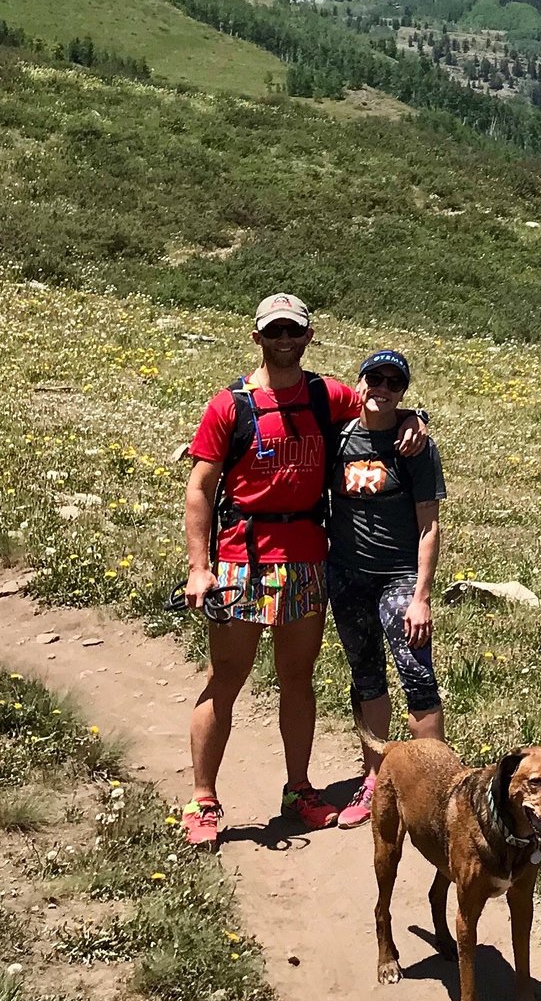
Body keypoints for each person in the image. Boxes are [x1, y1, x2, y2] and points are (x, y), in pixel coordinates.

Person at [179, 293, 429, 848]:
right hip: (240, 559)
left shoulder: (325, 395)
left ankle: (298, 790)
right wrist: (199, 568)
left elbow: (379, 404)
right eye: (275, 331)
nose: (285, 340)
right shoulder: (230, 406)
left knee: (297, 680)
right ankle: (203, 798)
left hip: (307, 559)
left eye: (294, 330)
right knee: (228, 677)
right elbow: (199, 489)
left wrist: (417, 418)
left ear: (308, 336)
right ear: (258, 336)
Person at [327, 347, 447, 830]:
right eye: (373, 379)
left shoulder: (416, 447)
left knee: (417, 676)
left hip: (398, 578)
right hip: (347, 576)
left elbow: (429, 525)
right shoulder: (338, 438)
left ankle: (435, 790)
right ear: (359, 384)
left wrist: (420, 596)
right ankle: (375, 779)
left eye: (392, 383)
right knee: (367, 678)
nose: (381, 388)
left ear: (403, 391)